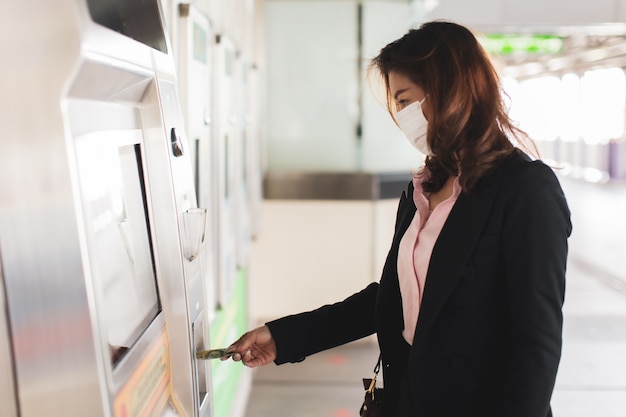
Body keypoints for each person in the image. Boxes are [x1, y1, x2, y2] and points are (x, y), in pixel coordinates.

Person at [224, 21, 572, 417]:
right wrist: (283, 337)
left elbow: (537, 344)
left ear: (450, 91)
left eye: (406, 100)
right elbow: (393, 300)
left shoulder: (525, 190)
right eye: (398, 104)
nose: (403, 116)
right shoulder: (423, 188)